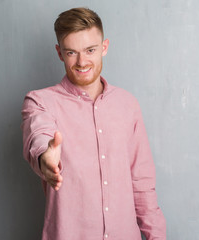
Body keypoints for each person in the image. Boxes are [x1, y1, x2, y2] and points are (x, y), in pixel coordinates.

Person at [21, 7, 166, 240]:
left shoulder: (127, 105)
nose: (82, 61)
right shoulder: (41, 102)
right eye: (71, 52)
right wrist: (45, 159)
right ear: (59, 53)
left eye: (90, 50)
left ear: (104, 47)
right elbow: (38, 134)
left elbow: (142, 183)